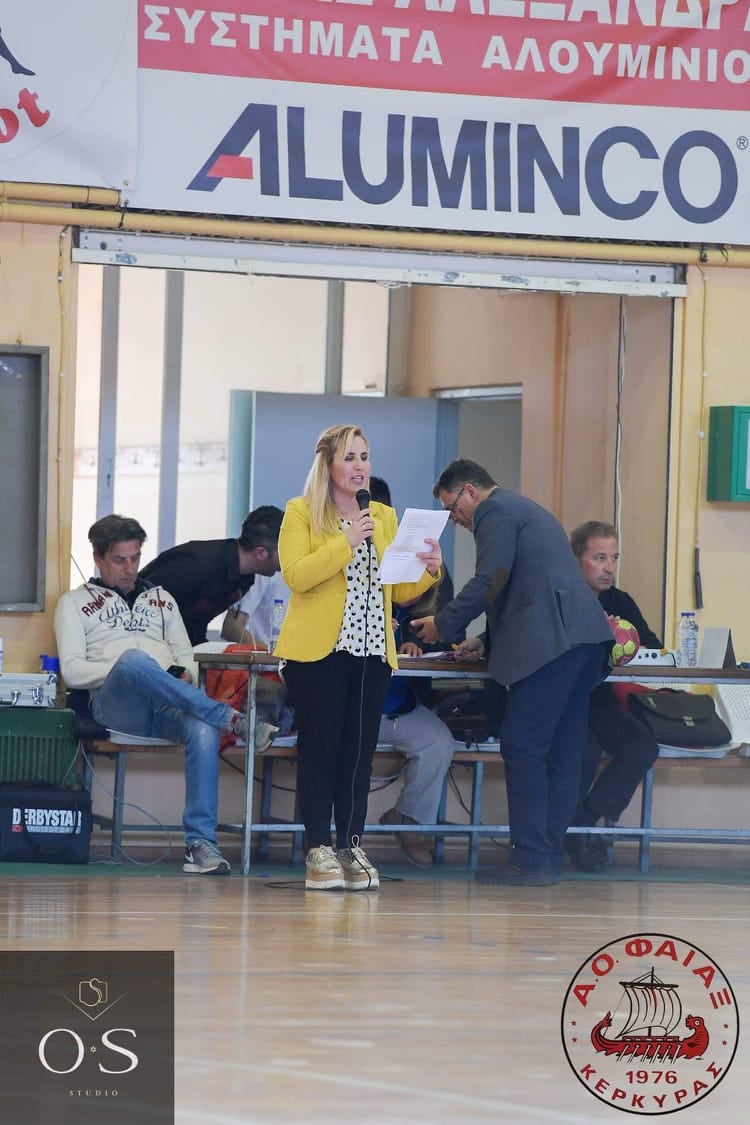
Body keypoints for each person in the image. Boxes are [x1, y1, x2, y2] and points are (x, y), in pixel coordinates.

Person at [411, 459, 613, 887]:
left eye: (452, 509)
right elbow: (528, 589)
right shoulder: (524, 509)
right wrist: (485, 640)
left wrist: (443, 624)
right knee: (562, 752)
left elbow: (491, 578)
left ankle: (529, 859)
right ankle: (548, 856)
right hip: (583, 642)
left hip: (554, 645)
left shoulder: (495, 510)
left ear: (469, 491)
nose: (454, 519)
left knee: (523, 745)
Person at [273, 424, 443, 892]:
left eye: (365, 457)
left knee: (358, 755)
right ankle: (317, 848)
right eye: (349, 457)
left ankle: (351, 845)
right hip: (319, 653)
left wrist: (430, 569)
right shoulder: (301, 512)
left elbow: (399, 588)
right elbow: (296, 576)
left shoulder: (383, 515)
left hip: (372, 650)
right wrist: (345, 542)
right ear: (327, 464)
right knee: (321, 751)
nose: (360, 466)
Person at [54, 515, 254, 876]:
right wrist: (135, 669)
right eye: (119, 560)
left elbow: (186, 657)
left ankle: (200, 844)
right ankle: (226, 716)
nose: (130, 568)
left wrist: (183, 673)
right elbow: (72, 671)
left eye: (135, 558)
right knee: (133, 660)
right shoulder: (72, 602)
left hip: (166, 705)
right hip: (116, 708)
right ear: (98, 558)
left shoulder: (162, 600)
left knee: (202, 729)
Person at [368, 476, 457, 868]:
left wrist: (419, 645)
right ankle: (329, 838)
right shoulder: (341, 562)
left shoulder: (418, 558)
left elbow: (447, 632)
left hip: (399, 704)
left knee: (438, 742)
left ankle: (408, 820)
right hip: (353, 704)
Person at [567, 520, 661, 872]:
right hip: (564, 702)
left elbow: (651, 646)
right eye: (600, 558)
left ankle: (584, 822)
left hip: (602, 702)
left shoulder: (619, 601)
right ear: (577, 560)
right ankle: (568, 832)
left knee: (641, 747)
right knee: (584, 752)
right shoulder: (561, 597)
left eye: (615, 558)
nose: (609, 567)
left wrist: (624, 640)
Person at [139, 506, 283, 645]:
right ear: (261, 553)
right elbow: (140, 603)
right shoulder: (197, 565)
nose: (289, 558)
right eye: (285, 551)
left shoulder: (245, 578)